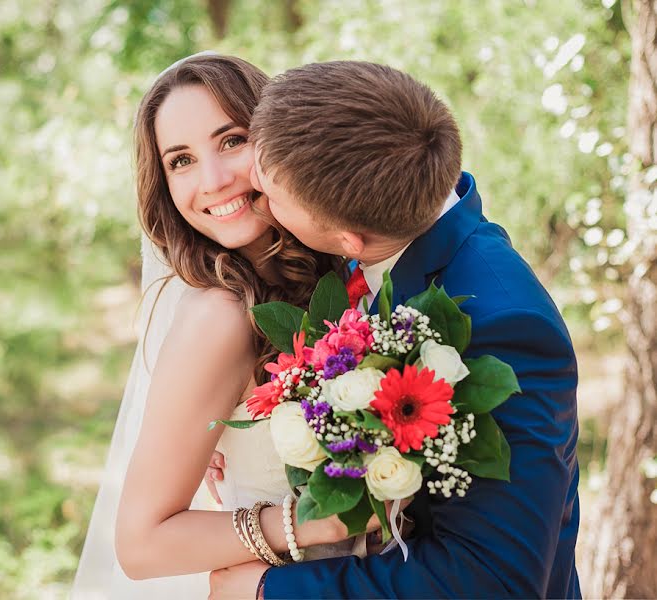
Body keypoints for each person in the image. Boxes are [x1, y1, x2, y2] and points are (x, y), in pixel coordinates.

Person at [209, 60, 581, 599]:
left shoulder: (504, 325)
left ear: (348, 238)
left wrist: (270, 591)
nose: (252, 186)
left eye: (272, 193)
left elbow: (494, 579)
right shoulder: (388, 214)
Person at [72, 54, 389, 600]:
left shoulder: (347, 266)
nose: (214, 181)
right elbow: (141, 543)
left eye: (231, 141)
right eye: (181, 161)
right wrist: (318, 520)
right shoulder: (219, 318)